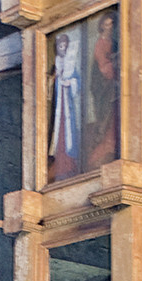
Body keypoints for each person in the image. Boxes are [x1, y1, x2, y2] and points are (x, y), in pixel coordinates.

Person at [86, 12, 120, 168]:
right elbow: (104, 67)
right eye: (106, 25)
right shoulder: (101, 43)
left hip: (114, 86)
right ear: (101, 27)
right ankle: (105, 149)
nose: (109, 28)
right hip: (106, 89)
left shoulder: (114, 42)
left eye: (111, 25)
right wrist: (117, 65)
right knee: (107, 119)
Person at [49, 31, 82, 180]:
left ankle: (69, 164)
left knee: (68, 134)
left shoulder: (70, 66)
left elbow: (77, 81)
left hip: (67, 105)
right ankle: (59, 164)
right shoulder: (57, 65)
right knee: (58, 134)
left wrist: (70, 83)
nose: (62, 48)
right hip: (58, 107)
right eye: (60, 46)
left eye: (64, 45)